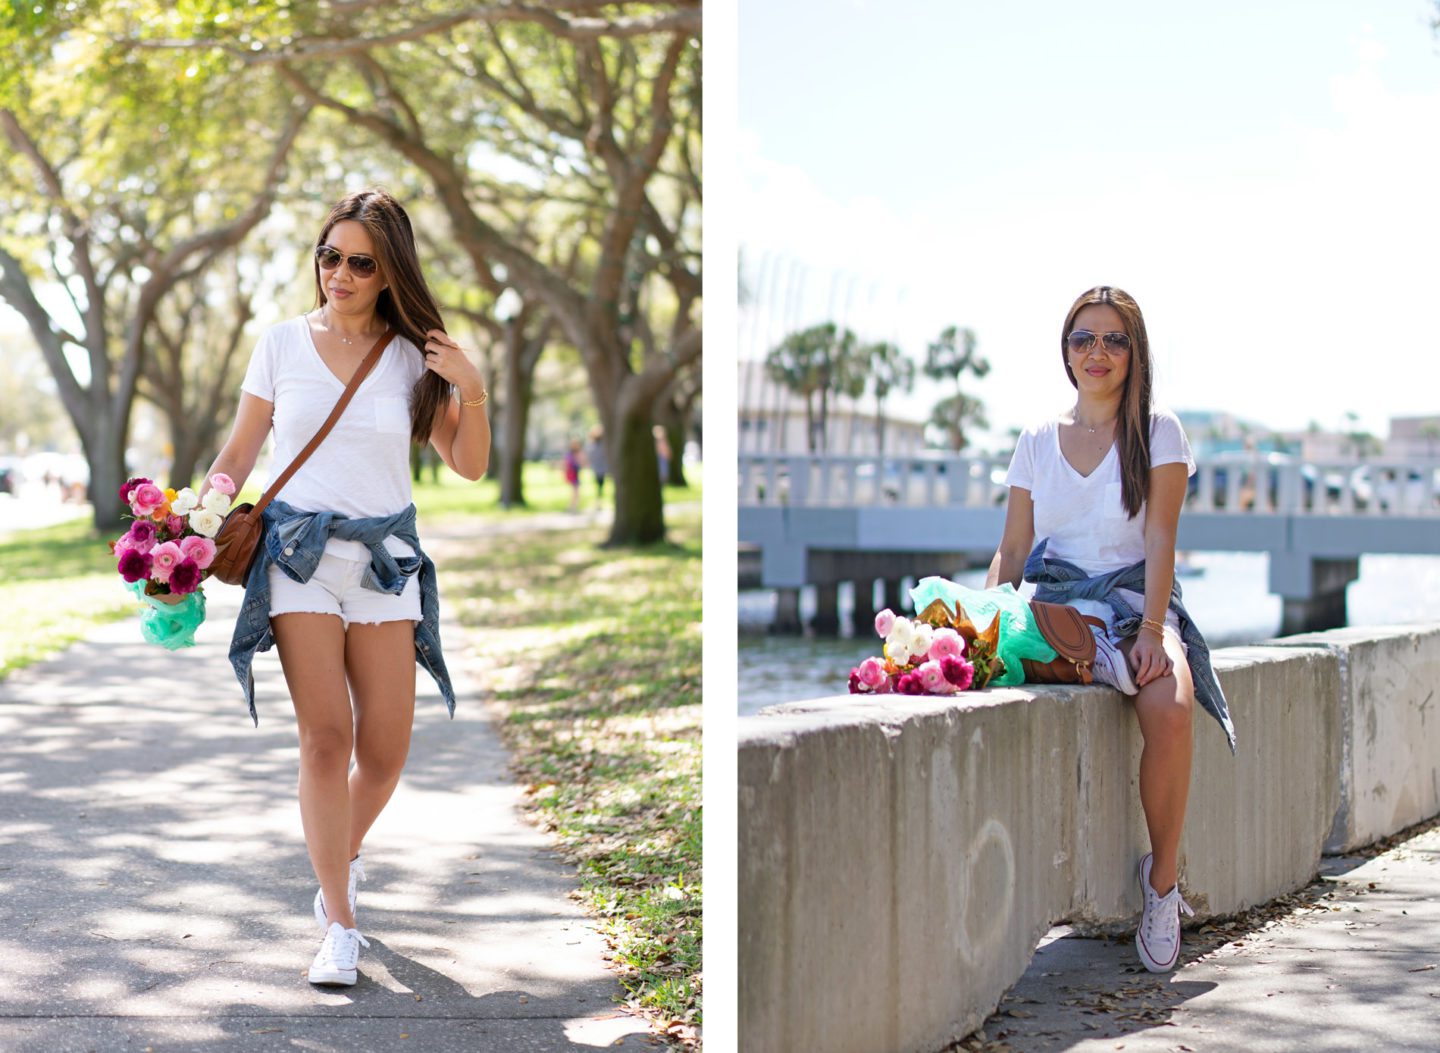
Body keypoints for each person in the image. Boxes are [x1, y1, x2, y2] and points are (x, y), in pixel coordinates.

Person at [200, 188, 491, 987]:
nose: (342, 273)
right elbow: (240, 449)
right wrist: (188, 528)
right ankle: (339, 920)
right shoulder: (281, 345)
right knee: (326, 741)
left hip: (385, 563)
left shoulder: (408, 358)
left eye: (361, 262)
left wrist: (471, 385)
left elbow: (470, 464)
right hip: (297, 558)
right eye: (331, 256)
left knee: (386, 752)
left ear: (388, 271)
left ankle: (338, 857)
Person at [986, 285, 1233, 975]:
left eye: (1113, 339)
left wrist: (1155, 631)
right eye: (1083, 339)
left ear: (1135, 352)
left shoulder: (1160, 431)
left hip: (1131, 602)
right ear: (1065, 352)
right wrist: (983, 626)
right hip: (1057, 604)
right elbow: (1012, 546)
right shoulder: (1037, 439)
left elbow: (1160, 537)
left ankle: (1161, 885)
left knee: (1171, 707)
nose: (1097, 352)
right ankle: (1092, 660)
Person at [586, 425, 608, 500]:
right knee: (599, 484)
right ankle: (599, 500)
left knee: (600, 484)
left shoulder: (600, 445)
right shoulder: (593, 446)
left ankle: (599, 500)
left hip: (601, 468)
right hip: (598, 468)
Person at [564, 438, 583, 513]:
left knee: (575, 492)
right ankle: (572, 507)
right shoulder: (571, 454)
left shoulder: (575, 453)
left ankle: (573, 507)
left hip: (575, 474)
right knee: (575, 492)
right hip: (573, 475)